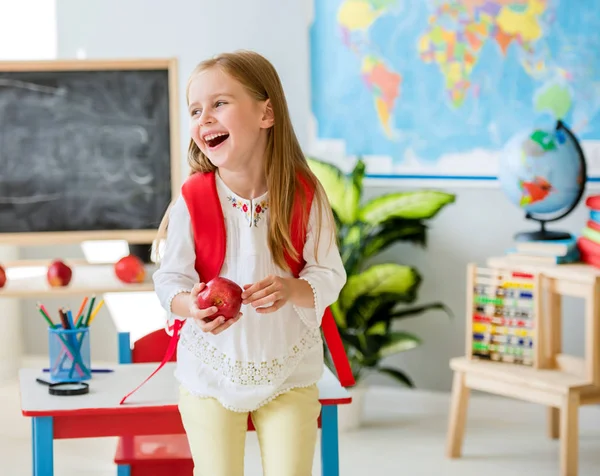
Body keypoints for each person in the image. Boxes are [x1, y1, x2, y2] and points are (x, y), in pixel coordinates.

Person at [152, 50, 347, 476]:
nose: (204, 118)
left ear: (266, 113)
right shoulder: (193, 199)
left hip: (287, 369)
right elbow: (170, 278)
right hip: (210, 373)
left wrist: (293, 289)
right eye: (195, 110)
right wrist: (192, 306)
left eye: (219, 103)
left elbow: (329, 272)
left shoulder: (304, 195)